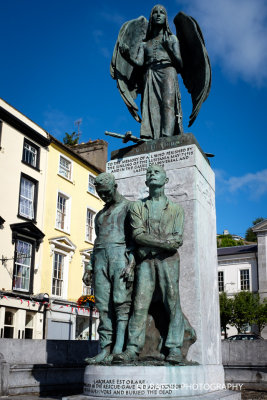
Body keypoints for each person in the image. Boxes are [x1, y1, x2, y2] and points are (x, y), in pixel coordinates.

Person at [114, 164, 193, 364]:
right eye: (148, 172)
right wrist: (162, 244)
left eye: (156, 172)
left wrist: (152, 246)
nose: (151, 174)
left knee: (172, 302)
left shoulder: (176, 209)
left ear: (166, 180)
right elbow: (137, 235)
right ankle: (132, 348)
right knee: (140, 304)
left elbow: (177, 240)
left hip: (169, 261)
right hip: (146, 262)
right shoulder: (137, 207)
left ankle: (174, 347)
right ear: (146, 181)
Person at [83, 173, 134, 363]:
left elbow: (134, 239)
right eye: (100, 194)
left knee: (121, 303)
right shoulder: (100, 215)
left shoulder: (129, 207)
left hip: (120, 255)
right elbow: (96, 242)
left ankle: (119, 347)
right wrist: (89, 266)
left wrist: (131, 264)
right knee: (103, 306)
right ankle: (105, 349)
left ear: (115, 186)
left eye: (106, 193)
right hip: (101, 258)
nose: (103, 197)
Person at [119, 4, 183, 139]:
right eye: (155, 12)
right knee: (149, 106)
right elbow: (139, 63)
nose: (158, 15)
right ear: (151, 17)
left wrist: (169, 48)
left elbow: (180, 64)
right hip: (149, 74)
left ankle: (166, 137)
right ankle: (150, 136)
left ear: (166, 18)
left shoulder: (172, 39)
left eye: (162, 13)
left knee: (168, 104)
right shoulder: (144, 44)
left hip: (167, 71)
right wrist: (127, 56)